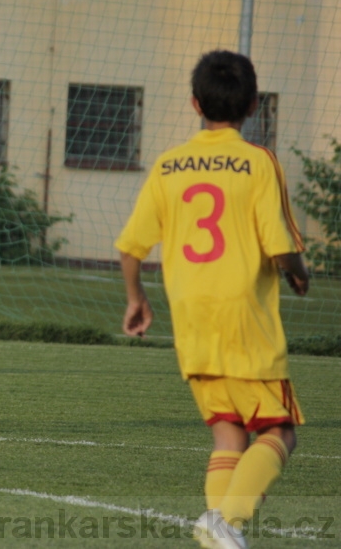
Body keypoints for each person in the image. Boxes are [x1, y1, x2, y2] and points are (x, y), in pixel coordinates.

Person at [115, 50, 308, 549]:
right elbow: (281, 244)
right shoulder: (258, 161)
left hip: (191, 318)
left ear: (195, 102)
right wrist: (299, 274)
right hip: (245, 317)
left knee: (228, 435)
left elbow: (131, 247)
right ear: (253, 106)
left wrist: (136, 300)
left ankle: (215, 532)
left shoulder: (169, 163)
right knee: (279, 430)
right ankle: (228, 522)